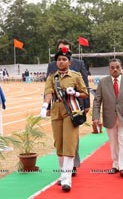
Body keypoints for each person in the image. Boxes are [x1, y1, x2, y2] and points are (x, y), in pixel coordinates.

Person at [40, 47, 88, 192]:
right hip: (56, 112)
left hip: (71, 112)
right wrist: (44, 106)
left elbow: (85, 93)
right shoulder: (51, 77)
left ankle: (67, 179)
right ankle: (62, 174)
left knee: (69, 144)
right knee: (59, 144)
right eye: (59, 59)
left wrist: (76, 94)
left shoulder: (75, 76)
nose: (61, 62)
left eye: (64, 59)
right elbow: (48, 92)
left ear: (69, 62)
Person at [92, 58, 123, 177]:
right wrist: (95, 117)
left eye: (117, 67)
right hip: (109, 117)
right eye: (112, 67)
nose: (115, 69)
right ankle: (115, 164)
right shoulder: (103, 82)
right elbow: (97, 101)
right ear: (109, 69)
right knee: (113, 142)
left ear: (121, 68)